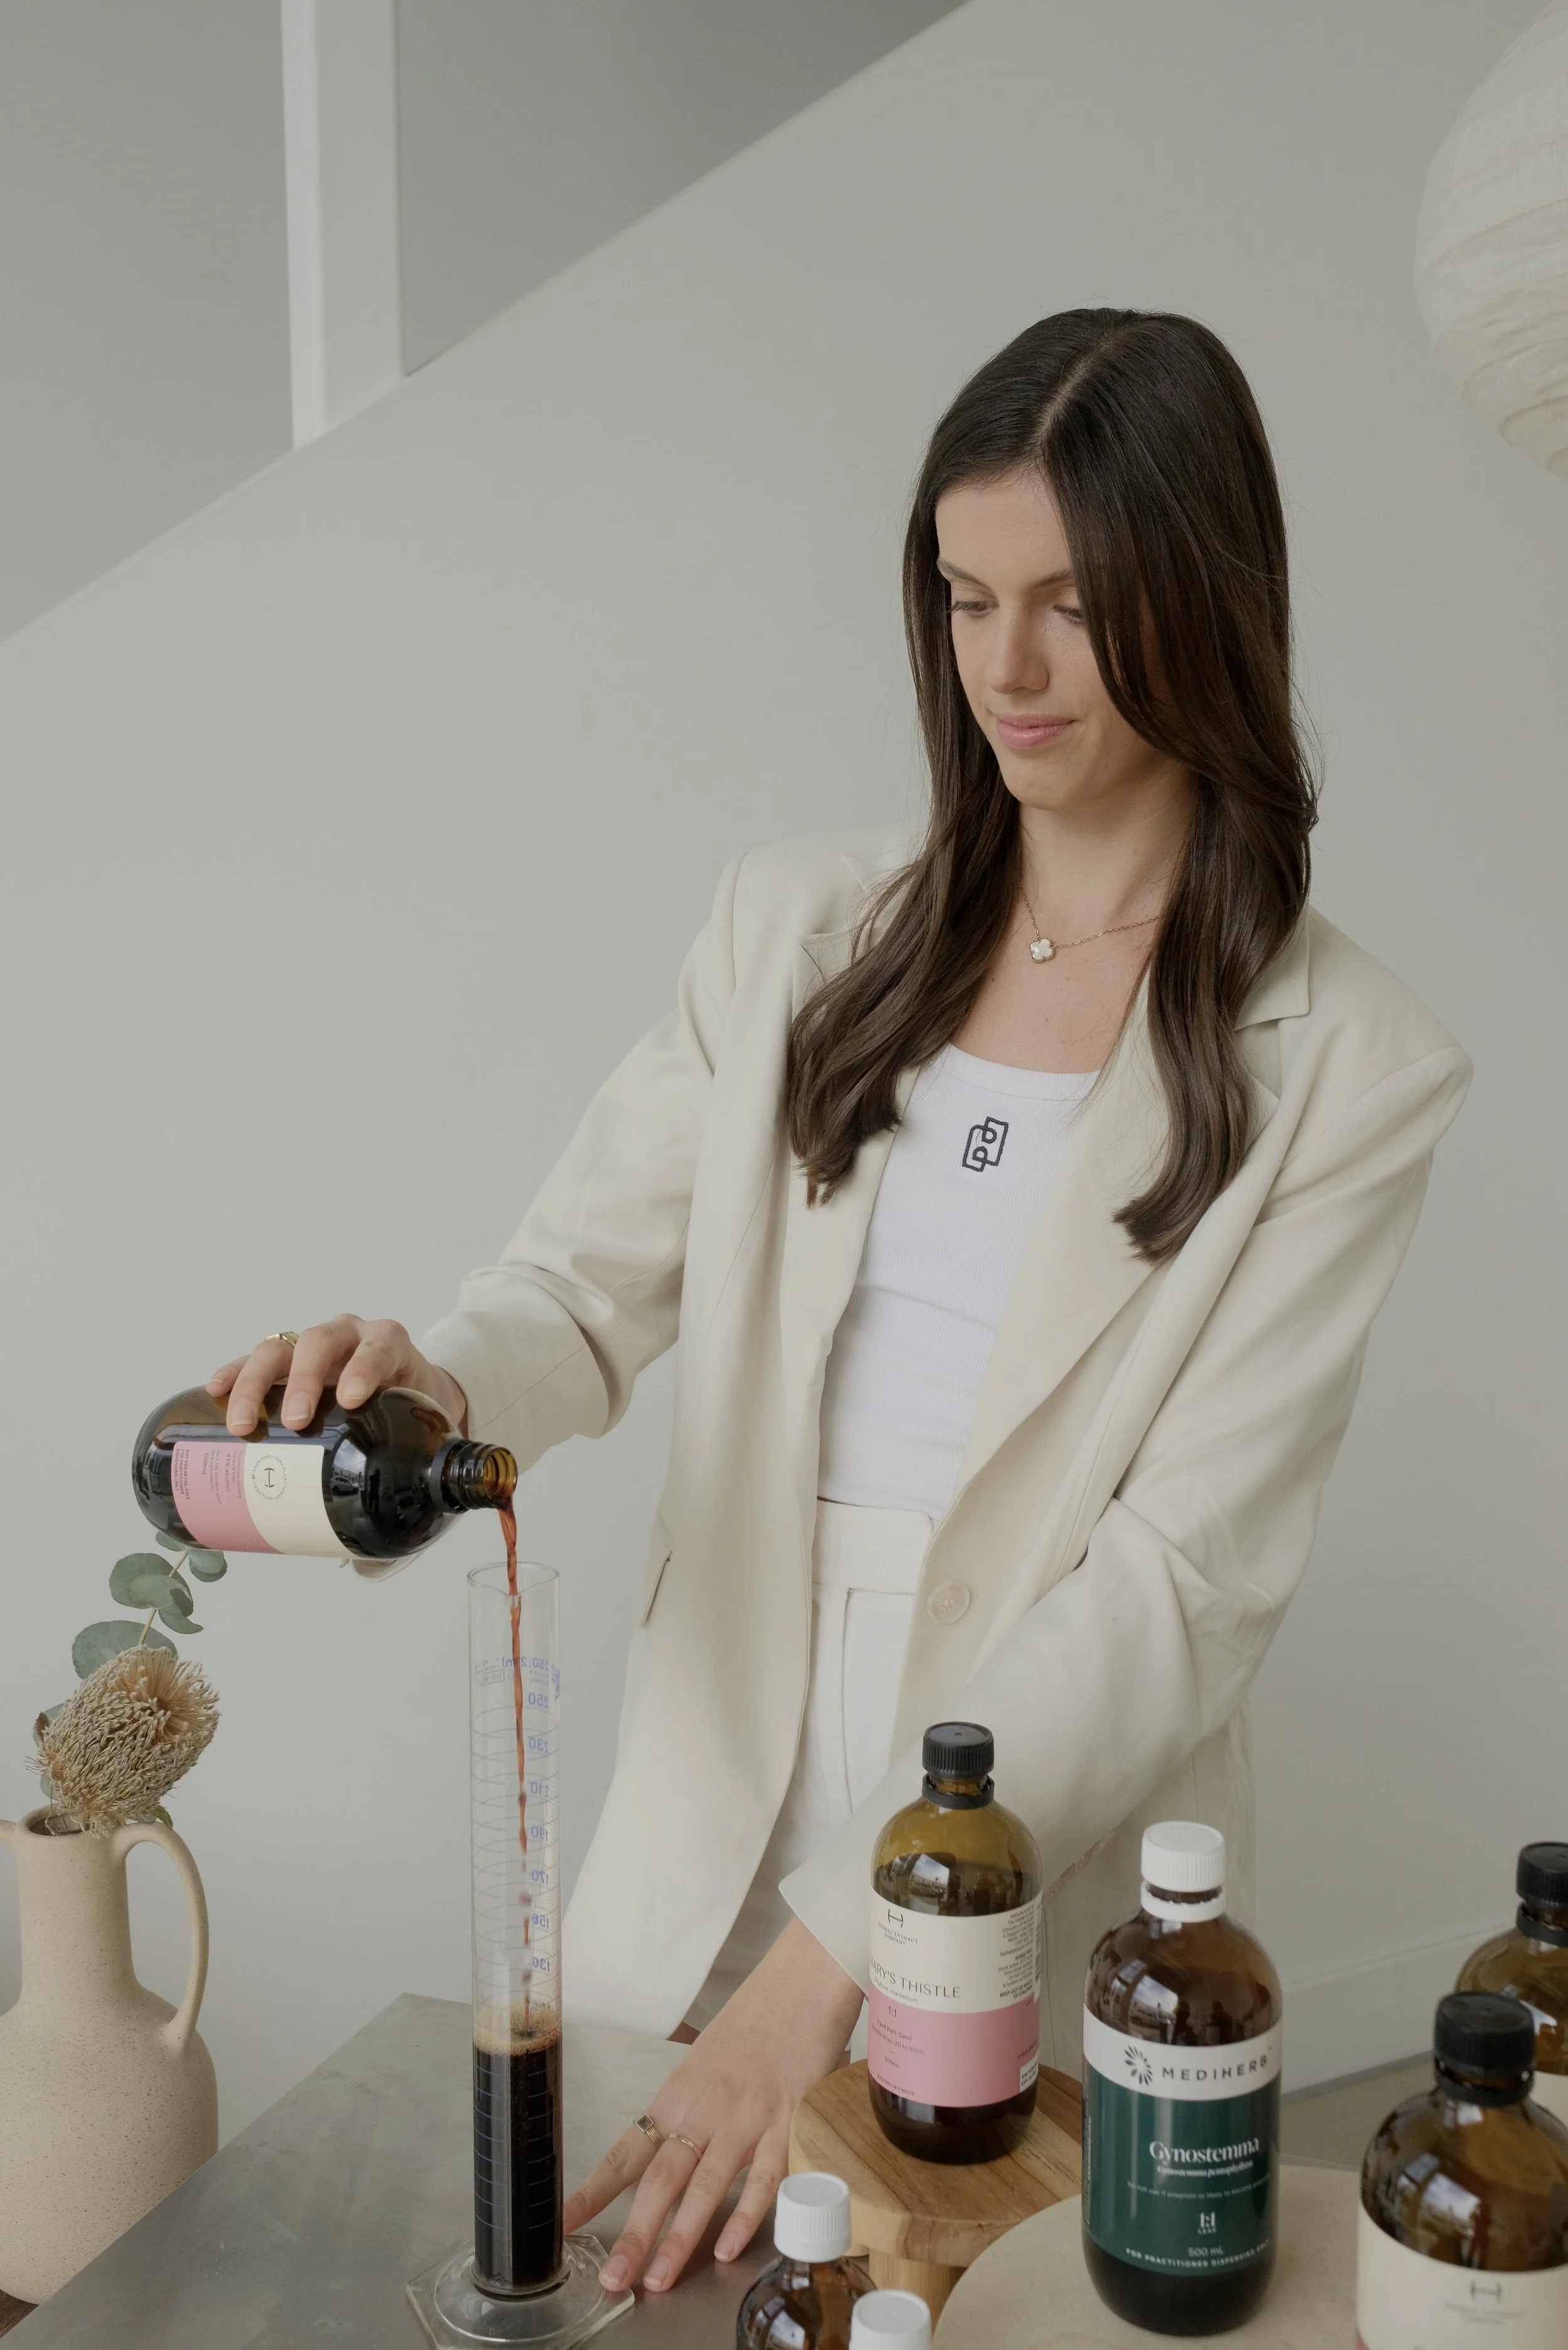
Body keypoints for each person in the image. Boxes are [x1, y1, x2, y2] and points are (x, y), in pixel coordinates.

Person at [211, 310, 1469, 2296]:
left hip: (1017, 1848)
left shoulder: (1347, 1060)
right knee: (630, 2292)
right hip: (715, 1770)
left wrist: (836, 1963)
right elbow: (575, 1292)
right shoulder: (798, 930)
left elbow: (1178, 1587)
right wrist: (429, 1378)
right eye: (967, 598)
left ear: (1207, 597)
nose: (1008, 668)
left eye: (1073, 602)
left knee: (944, 2303)